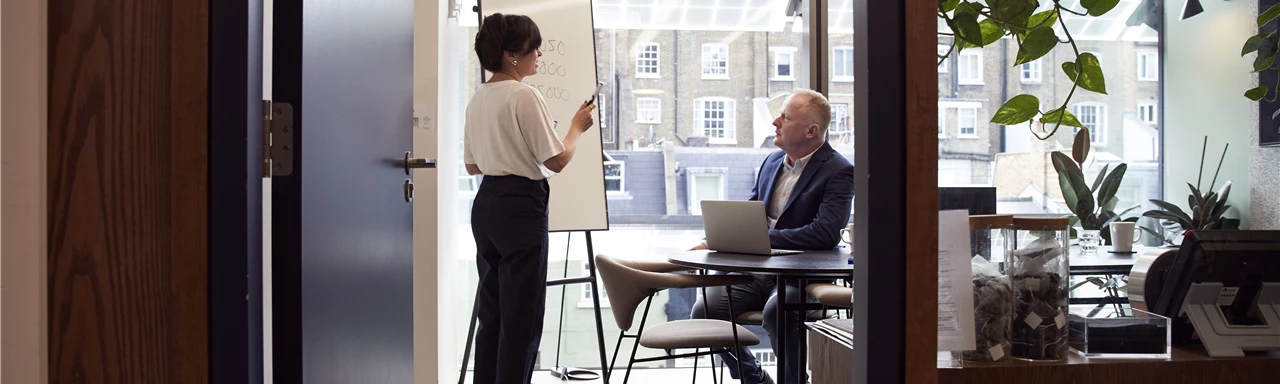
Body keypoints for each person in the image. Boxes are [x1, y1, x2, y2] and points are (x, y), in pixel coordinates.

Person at [689, 89, 854, 384]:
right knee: (706, 309)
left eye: (785, 117)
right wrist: (712, 238)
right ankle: (754, 379)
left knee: (778, 311)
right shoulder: (771, 163)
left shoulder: (839, 171)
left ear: (811, 131)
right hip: (758, 272)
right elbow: (750, 216)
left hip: (802, 279)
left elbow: (825, 232)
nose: (775, 122)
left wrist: (764, 238)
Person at [464, 13, 595, 384]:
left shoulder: (478, 97)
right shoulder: (524, 94)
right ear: (511, 55)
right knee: (521, 319)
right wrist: (575, 128)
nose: (539, 53)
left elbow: (473, 166)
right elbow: (557, 159)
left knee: (492, 315)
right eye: (532, 47)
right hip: (521, 208)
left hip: (486, 204)